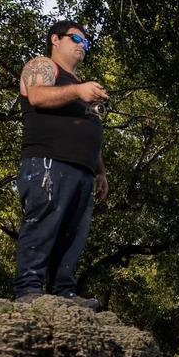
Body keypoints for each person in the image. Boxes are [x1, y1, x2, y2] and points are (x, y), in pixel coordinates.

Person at [13, 20, 108, 309]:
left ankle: (63, 292)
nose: (82, 46)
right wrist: (78, 93)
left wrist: (100, 170)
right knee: (43, 224)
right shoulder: (42, 65)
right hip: (47, 162)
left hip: (83, 172)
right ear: (56, 39)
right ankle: (29, 291)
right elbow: (38, 96)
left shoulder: (81, 87)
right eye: (76, 38)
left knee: (73, 234)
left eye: (86, 43)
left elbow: (90, 128)